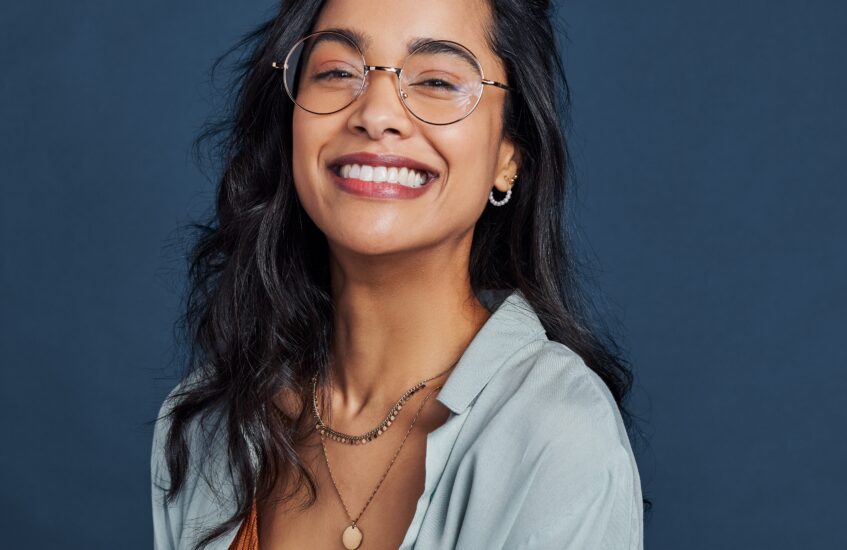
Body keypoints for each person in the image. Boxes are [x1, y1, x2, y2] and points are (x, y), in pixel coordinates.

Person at [149, 0, 647, 548]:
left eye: (436, 79)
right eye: (338, 72)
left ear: (509, 154)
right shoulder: (206, 421)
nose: (376, 113)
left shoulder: (554, 429)